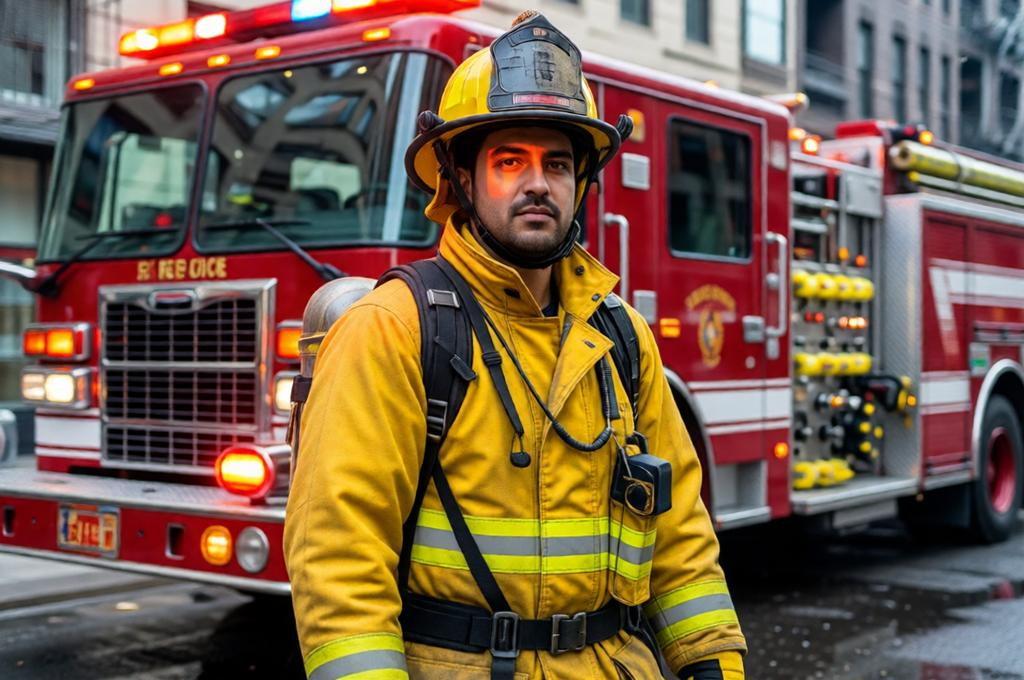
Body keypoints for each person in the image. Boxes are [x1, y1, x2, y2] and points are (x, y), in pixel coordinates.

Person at [284, 11, 746, 680]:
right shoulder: (394, 327)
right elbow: (340, 559)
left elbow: (681, 538)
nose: (538, 183)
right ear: (462, 180)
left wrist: (715, 665)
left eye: (557, 163)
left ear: (581, 182)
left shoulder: (620, 337)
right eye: (510, 161)